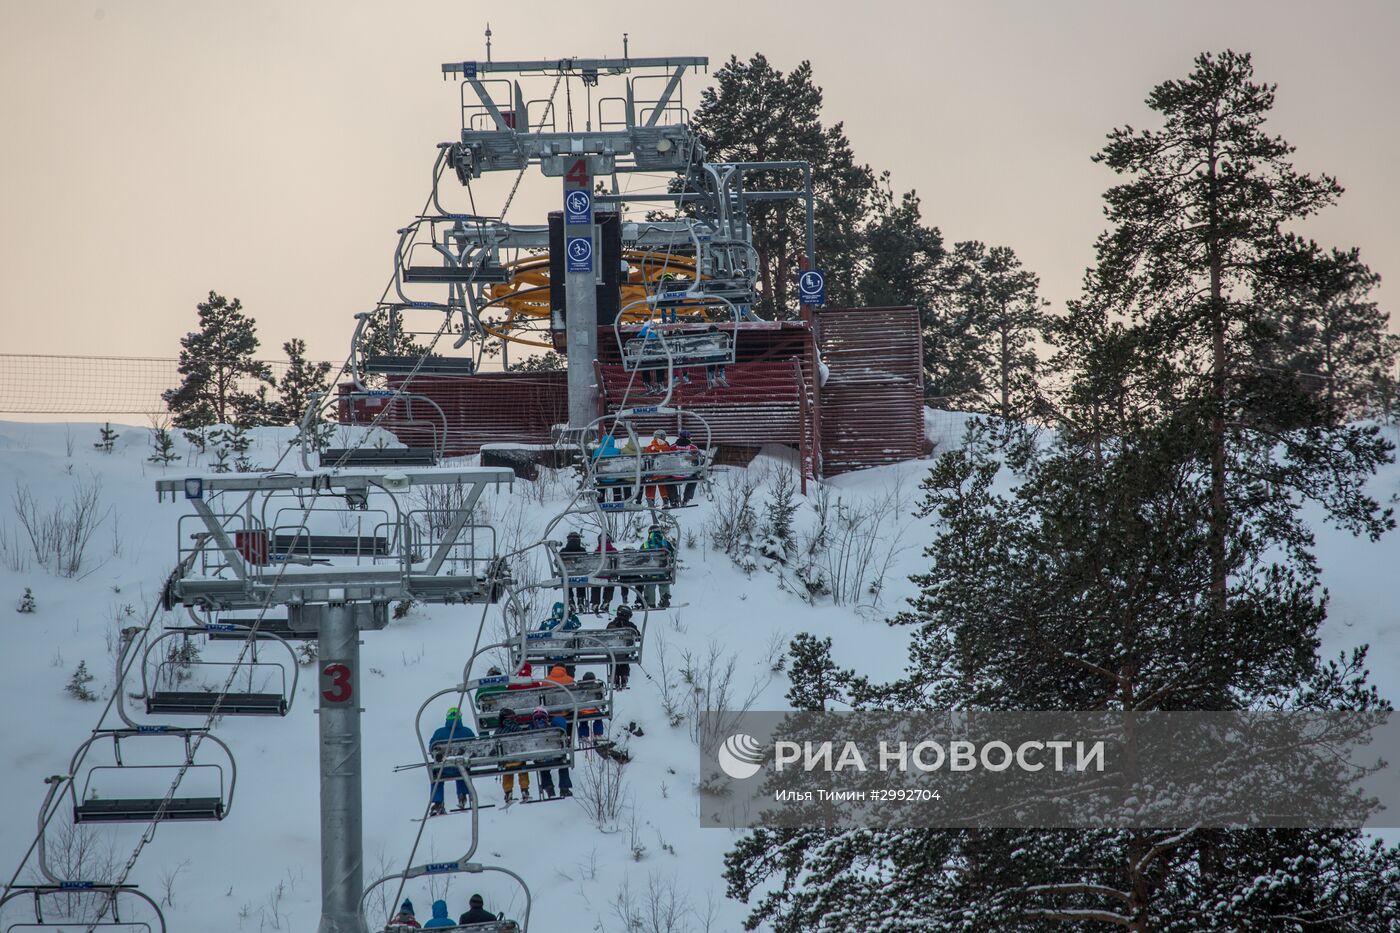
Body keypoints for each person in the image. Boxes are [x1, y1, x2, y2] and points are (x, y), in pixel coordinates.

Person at [427, 707, 475, 815]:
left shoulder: (439, 732)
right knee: (462, 768)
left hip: (444, 768)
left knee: (436, 776)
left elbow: (431, 748)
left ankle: (438, 802)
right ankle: (462, 795)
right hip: (462, 768)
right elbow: (474, 748)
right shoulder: (467, 731)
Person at [529, 706, 573, 799]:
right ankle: (564, 787)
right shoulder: (554, 728)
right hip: (556, 756)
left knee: (542, 765)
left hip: (541, 758)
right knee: (563, 761)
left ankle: (548, 786)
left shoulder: (531, 730)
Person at [493, 707, 531, 803]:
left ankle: (508, 792)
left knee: (507, 772)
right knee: (522, 769)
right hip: (518, 760)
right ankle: (524, 789)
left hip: (505, 762)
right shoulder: (516, 728)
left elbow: (493, 745)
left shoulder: (498, 731)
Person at [638, 524, 675, 609]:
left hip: (650, 573)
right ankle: (664, 598)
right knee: (664, 583)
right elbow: (672, 555)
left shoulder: (646, 544)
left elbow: (640, 559)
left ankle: (650, 602)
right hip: (663, 572)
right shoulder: (666, 543)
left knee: (650, 584)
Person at [589, 535, 628, 613]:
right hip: (609, 576)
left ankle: (595, 602)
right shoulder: (614, 550)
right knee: (610, 583)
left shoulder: (597, 552)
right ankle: (606, 600)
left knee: (595, 584)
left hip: (598, 576)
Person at [606, 605, 639, 689]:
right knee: (625, 657)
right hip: (625, 651)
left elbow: (605, 637)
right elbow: (638, 636)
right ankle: (624, 675)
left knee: (612, 659)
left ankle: (615, 676)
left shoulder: (611, 625)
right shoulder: (630, 626)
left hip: (612, 651)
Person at [666, 430, 700, 506]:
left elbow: (667, 459)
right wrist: (687, 458)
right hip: (688, 474)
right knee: (694, 478)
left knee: (667, 478)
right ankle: (686, 498)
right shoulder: (693, 447)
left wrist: (677, 459)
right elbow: (697, 460)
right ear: (689, 438)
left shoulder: (672, 447)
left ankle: (673, 499)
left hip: (674, 474)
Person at [641, 431, 672, 507]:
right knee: (663, 480)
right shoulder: (667, 448)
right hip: (663, 473)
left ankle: (650, 499)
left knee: (650, 480)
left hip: (652, 473)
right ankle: (665, 498)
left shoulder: (649, 448)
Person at [560, 530, 590, 606]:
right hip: (580, 574)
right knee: (581, 580)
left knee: (566, 581)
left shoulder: (563, 551)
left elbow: (557, 562)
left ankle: (570, 599)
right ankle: (580, 599)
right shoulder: (582, 550)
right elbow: (587, 562)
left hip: (567, 574)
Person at [576, 670, 607, 746]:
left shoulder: (579, 687)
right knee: (598, 719)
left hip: (582, 710)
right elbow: (602, 698)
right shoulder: (598, 686)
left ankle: (584, 735)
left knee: (583, 721)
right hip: (594, 710)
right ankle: (598, 734)